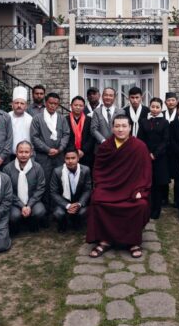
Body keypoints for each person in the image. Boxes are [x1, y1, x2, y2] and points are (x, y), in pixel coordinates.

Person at [87, 115, 152, 258]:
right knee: (97, 200)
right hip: (110, 188)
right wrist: (101, 186)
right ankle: (104, 240)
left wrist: (140, 189)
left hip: (131, 189)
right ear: (112, 128)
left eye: (124, 126)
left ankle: (133, 242)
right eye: (117, 126)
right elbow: (98, 170)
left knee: (140, 204)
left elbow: (145, 172)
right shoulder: (105, 147)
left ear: (130, 128)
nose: (120, 129)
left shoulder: (139, 146)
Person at [30, 92, 71, 213]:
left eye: (55, 104)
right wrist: (48, 149)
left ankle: (58, 208)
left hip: (59, 156)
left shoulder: (62, 118)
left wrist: (60, 149)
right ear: (45, 103)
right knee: (45, 183)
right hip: (43, 157)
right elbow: (34, 137)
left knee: (59, 181)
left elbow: (66, 134)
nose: (53, 106)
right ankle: (45, 210)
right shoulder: (37, 118)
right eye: (50, 103)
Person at [3, 141, 47, 232]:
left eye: (26, 152)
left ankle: (32, 221)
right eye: (21, 152)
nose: (23, 155)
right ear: (16, 152)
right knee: (14, 216)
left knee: (40, 211)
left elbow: (40, 188)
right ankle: (17, 225)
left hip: (33, 201)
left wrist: (29, 205)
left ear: (31, 153)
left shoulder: (37, 168)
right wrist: (21, 205)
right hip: (15, 202)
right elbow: (8, 191)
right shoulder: (7, 169)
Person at [138, 97, 170, 219]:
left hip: (159, 158)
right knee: (147, 183)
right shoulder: (143, 121)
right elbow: (140, 138)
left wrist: (155, 154)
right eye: (153, 107)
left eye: (157, 107)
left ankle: (156, 209)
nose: (155, 109)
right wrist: (146, 153)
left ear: (161, 108)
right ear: (149, 107)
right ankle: (147, 208)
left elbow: (166, 141)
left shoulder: (165, 122)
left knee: (157, 184)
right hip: (145, 157)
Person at [51, 148, 92, 232]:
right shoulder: (57, 171)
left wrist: (79, 204)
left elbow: (87, 190)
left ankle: (77, 222)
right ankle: (63, 224)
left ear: (78, 158)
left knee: (83, 212)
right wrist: (67, 205)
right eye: (67, 158)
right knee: (58, 213)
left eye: (73, 158)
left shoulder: (85, 170)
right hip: (64, 203)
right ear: (64, 159)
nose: (70, 161)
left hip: (78, 202)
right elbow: (54, 192)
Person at [67, 95, 95, 169]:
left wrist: (83, 150)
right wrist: (74, 151)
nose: (78, 107)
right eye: (75, 105)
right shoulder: (65, 120)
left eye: (80, 105)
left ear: (84, 107)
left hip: (86, 154)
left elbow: (92, 137)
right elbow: (65, 136)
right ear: (71, 106)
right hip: (69, 154)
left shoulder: (89, 120)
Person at [9, 86, 33, 157]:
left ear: (26, 106)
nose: (19, 105)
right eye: (16, 103)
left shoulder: (30, 119)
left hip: (26, 155)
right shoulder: (6, 117)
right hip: (9, 156)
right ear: (12, 104)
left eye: (22, 103)